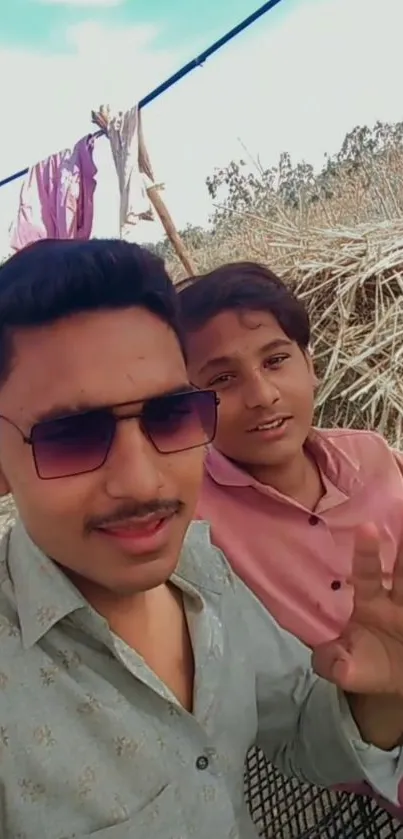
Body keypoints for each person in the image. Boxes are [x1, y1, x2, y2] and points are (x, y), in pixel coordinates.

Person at [0, 241, 403, 839]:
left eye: (170, 415)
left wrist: (384, 694)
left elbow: (300, 726)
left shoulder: (204, 569)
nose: (142, 480)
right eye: (72, 436)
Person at [179, 262, 403, 649]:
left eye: (275, 361)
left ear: (310, 366)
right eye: (222, 379)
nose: (263, 396)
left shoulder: (373, 456)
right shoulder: (189, 520)